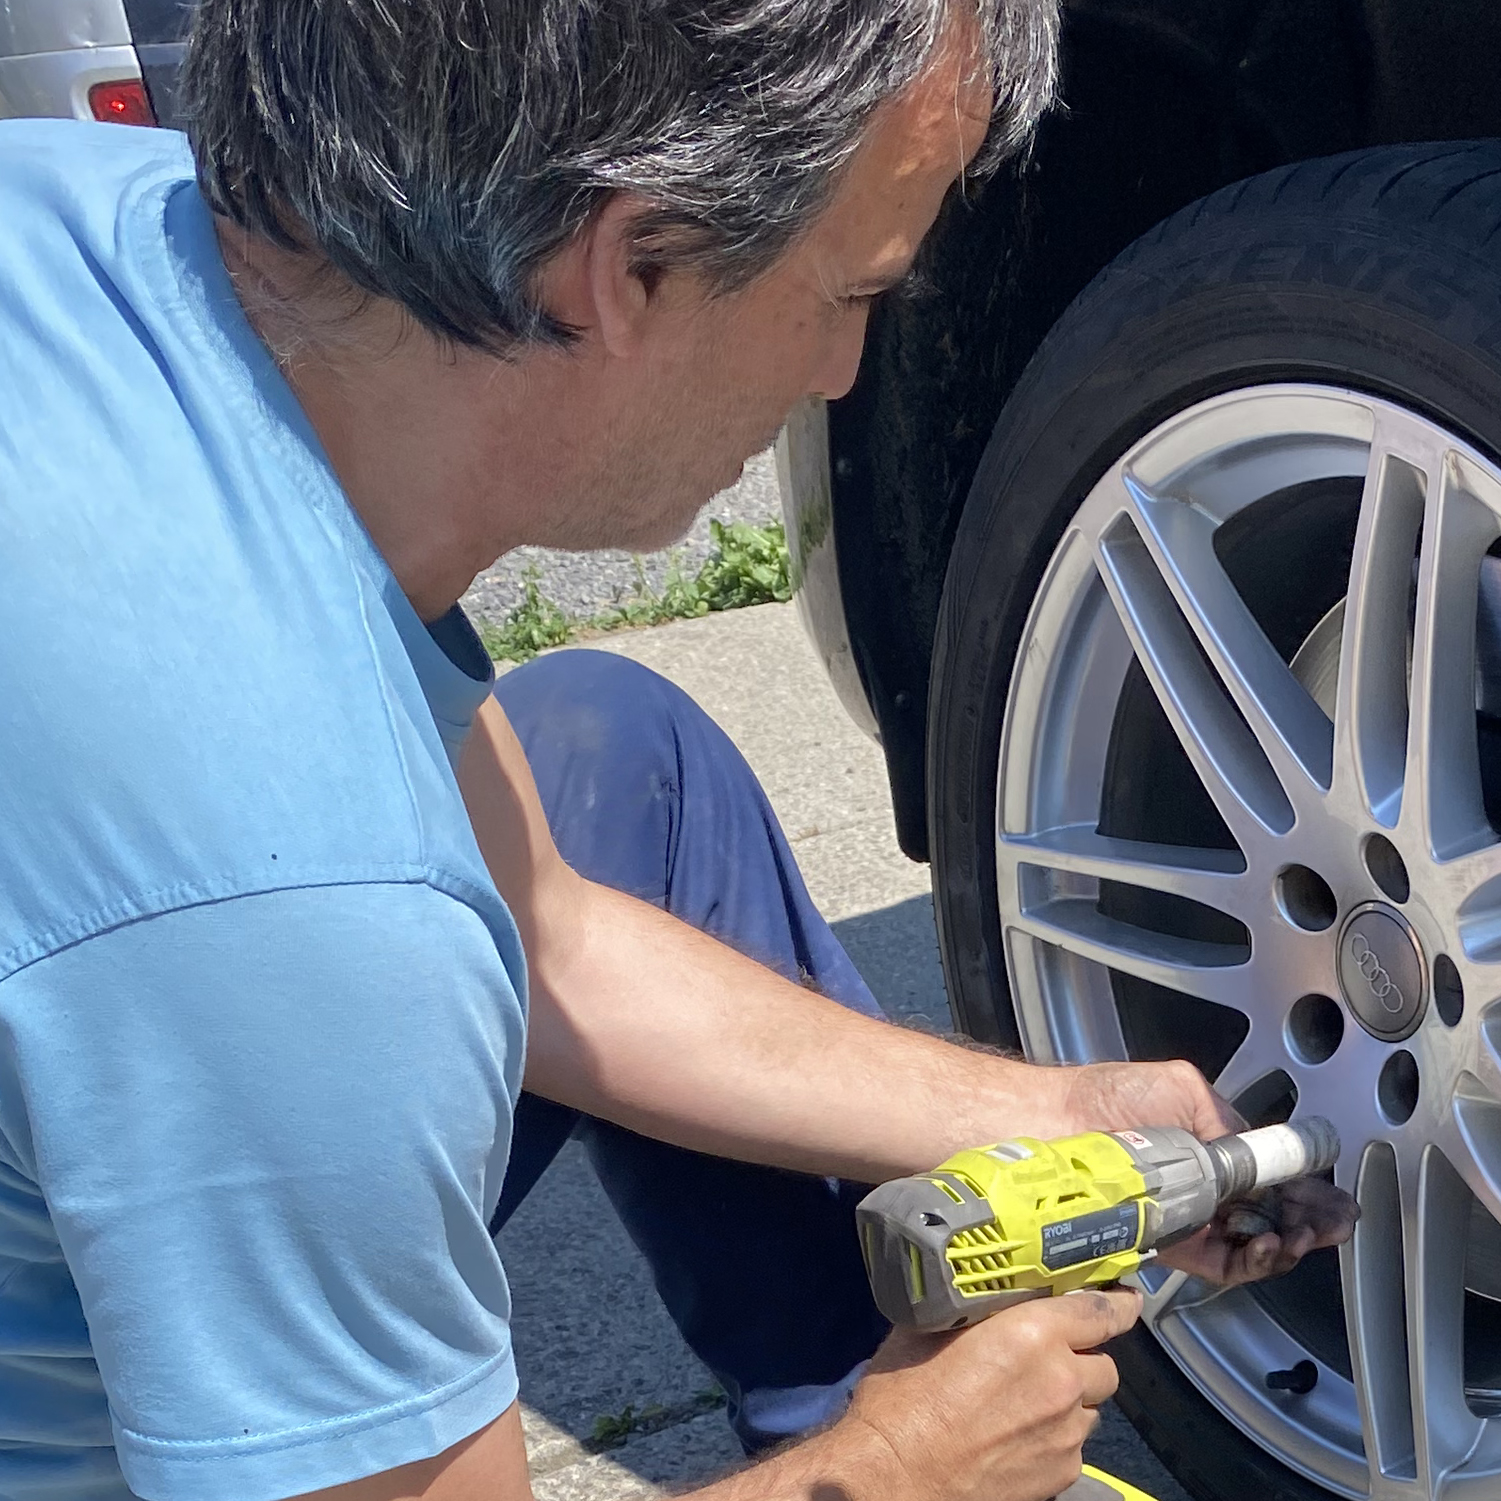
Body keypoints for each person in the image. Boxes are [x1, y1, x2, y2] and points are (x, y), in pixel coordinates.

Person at [0, 0, 1357, 1498]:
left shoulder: (103, 223)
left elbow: (551, 941)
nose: (846, 375)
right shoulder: (288, 905)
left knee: (616, 755)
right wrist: (897, 1466)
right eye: (851, 292)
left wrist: (1051, 1112)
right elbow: (294, 923)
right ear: (625, 267)